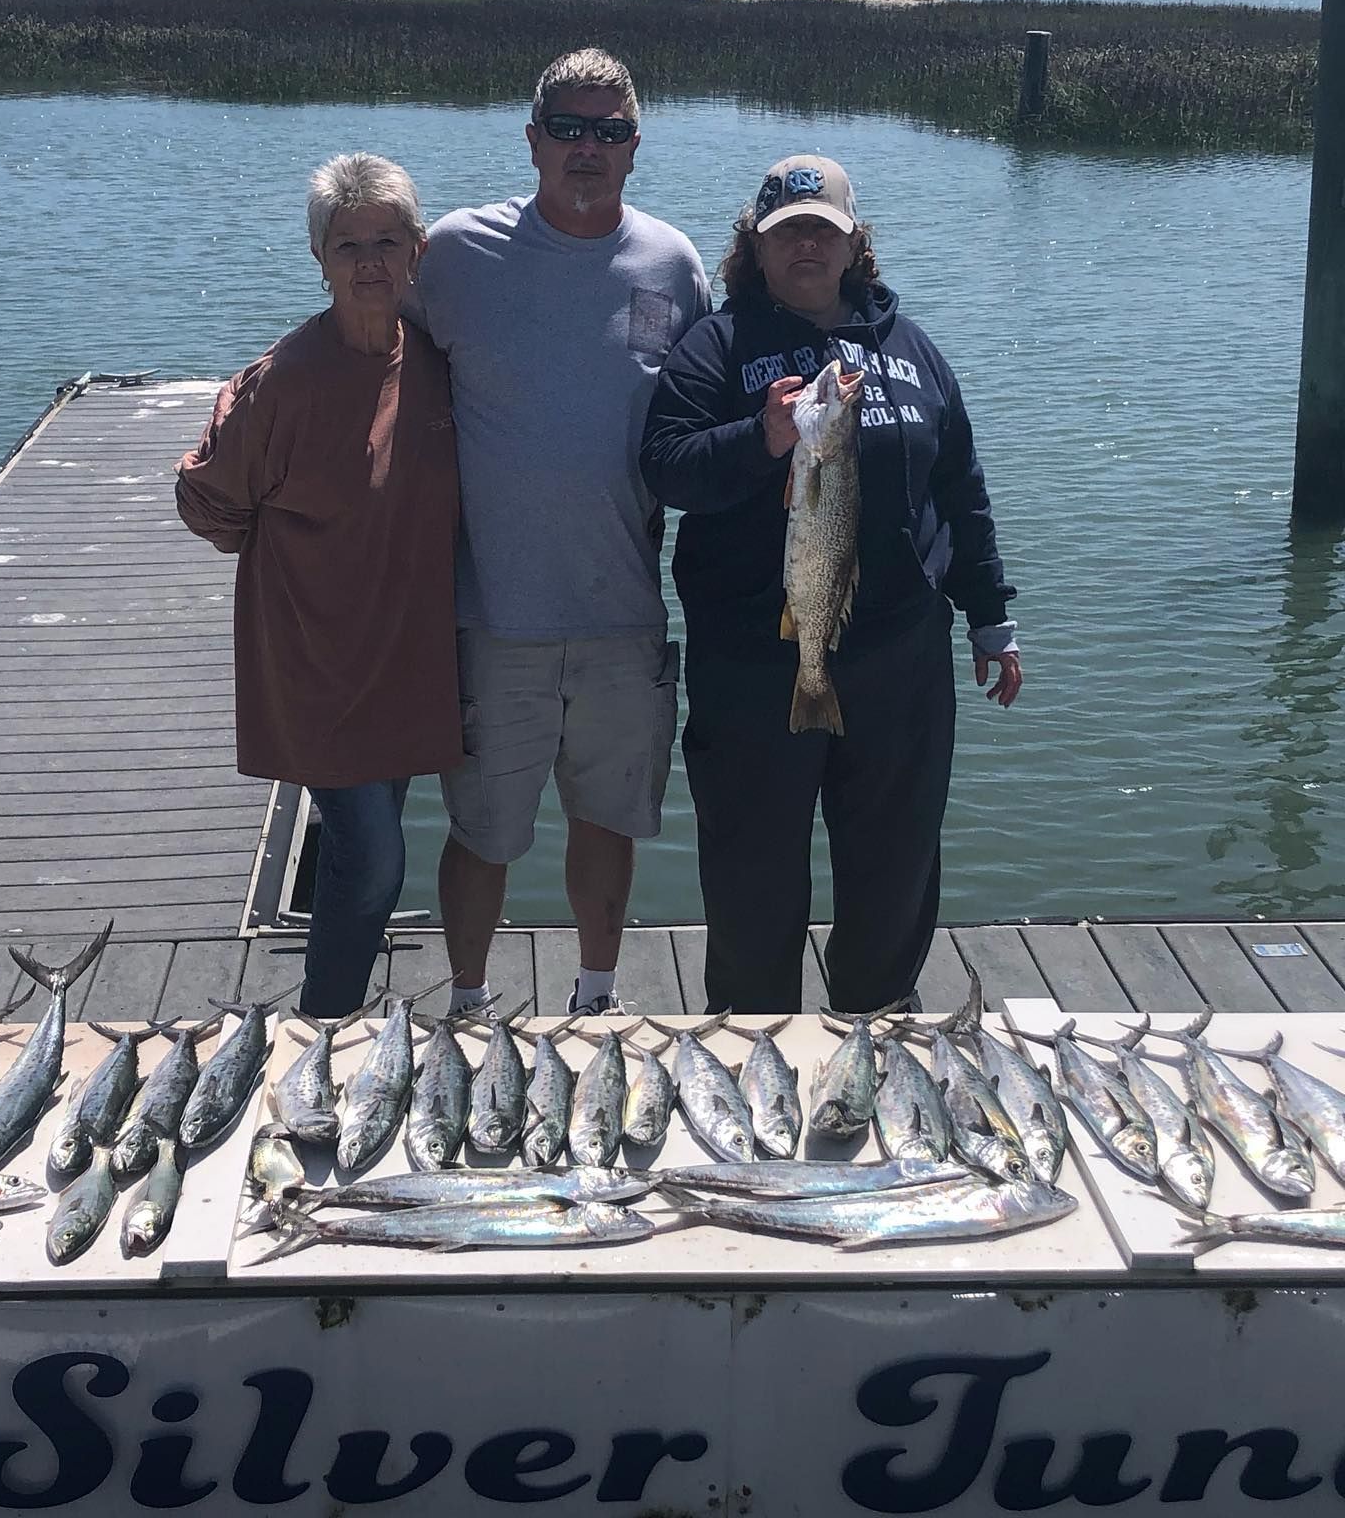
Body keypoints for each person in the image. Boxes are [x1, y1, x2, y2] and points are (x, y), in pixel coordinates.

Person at [639, 155, 1021, 1016]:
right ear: (757, 248)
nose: (805, 246)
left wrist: (990, 617)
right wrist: (762, 436)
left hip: (899, 658)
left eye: (823, 231)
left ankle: (879, 1028)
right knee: (752, 872)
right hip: (755, 664)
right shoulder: (714, 348)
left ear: (854, 245)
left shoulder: (911, 348)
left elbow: (959, 488)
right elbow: (665, 469)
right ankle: (753, 1039)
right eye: (786, 233)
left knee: (894, 864)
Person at [414, 49, 711, 1018]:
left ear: (635, 148)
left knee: (607, 819)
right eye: (571, 129)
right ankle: (465, 1002)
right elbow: (373, 343)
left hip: (623, 610)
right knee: (484, 831)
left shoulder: (673, 262)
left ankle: (594, 995)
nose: (590, 148)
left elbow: (704, 418)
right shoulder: (456, 252)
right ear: (533, 139)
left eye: (610, 131)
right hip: (494, 614)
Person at [175, 153, 461, 1018]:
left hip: (406, 659)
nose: (369, 261)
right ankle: (325, 1023)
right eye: (347, 245)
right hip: (315, 665)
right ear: (320, 259)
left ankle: (336, 1014)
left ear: (418, 249)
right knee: (373, 861)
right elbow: (207, 500)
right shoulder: (284, 380)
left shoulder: (440, 361)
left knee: (359, 857)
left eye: (386, 240)